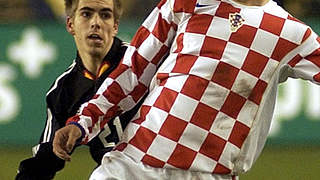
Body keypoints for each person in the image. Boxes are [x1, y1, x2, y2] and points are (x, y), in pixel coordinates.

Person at [53, 0, 320, 179]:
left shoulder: (293, 34)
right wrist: (82, 122)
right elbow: (131, 73)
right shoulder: (186, 3)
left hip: (208, 172)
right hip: (134, 164)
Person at [15, 0, 144, 179]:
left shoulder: (144, 66)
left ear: (115, 26)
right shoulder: (64, 90)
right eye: (86, 14)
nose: (96, 23)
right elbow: (45, 159)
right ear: (70, 24)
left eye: (105, 15)